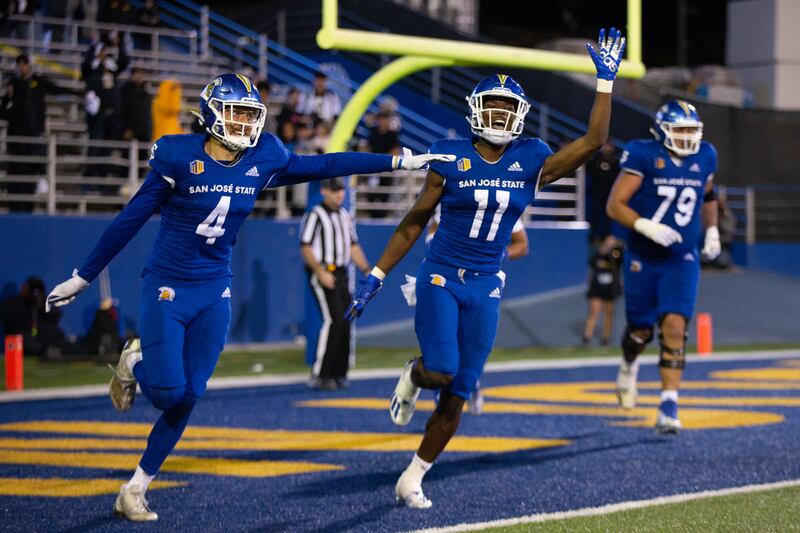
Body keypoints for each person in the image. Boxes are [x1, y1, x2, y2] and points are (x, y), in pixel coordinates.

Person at [44, 73, 454, 522]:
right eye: (234, 112)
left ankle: (135, 488)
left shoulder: (264, 156)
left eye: (248, 114)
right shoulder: (178, 155)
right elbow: (131, 219)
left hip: (214, 289)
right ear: (211, 113)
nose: (243, 123)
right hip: (167, 286)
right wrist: (83, 276)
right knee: (166, 393)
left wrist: (398, 163)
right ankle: (135, 360)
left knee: (189, 396)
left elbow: (327, 164)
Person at [345, 28, 626, 508]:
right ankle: (414, 374)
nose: (498, 116)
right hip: (441, 275)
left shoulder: (532, 158)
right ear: (475, 111)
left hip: (487, 284)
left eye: (506, 109)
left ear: (520, 115)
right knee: (440, 369)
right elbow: (415, 222)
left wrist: (604, 83)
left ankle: (413, 476)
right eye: (491, 107)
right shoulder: (450, 155)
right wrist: (377, 275)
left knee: (459, 391)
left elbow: (595, 140)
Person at [606, 99, 720, 434]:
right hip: (643, 255)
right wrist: (645, 226)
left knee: (674, 325)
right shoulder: (643, 154)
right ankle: (628, 365)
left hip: (681, 257)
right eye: (679, 130)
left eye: (691, 130)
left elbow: (708, 196)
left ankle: (668, 404)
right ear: (662, 130)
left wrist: (712, 229)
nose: (686, 137)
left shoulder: (705, 155)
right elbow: (615, 205)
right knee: (640, 330)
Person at [426, 205, 529, 414]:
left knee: (473, 338)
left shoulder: (504, 202)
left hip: (483, 280)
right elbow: (432, 232)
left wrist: (500, 254)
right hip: (448, 276)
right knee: (444, 334)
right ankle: (442, 388)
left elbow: (522, 244)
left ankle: (470, 379)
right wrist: (442, 247)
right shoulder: (457, 197)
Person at [300, 177, 371, 391]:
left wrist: (367, 269)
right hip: (324, 272)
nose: (340, 194)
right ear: (324, 192)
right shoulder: (315, 214)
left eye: (341, 190)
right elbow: (305, 247)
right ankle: (321, 374)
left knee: (346, 319)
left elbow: (353, 246)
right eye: (335, 190)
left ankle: (339, 373)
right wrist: (320, 271)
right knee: (334, 320)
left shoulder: (344, 215)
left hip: (341, 274)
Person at [1, 54, 81, 211]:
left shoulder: (38, 81)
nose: (22, 67)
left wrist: (80, 93)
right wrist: (8, 98)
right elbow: (4, 112)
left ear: (29, 65)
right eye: (19, 64)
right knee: (15, 177)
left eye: (24, 64)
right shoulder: (13, 84)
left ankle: (28, 210)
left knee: (30, 177)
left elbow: (57, 89)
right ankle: (14, 209)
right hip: (16, 140)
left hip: (34, 139)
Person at [582, 235, 623, 346]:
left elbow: (618, 260)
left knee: (609, 314)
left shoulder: (616, 254)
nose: (609, 246)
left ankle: (606, 339)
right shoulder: (597, 255)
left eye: (612, 244)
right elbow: (592, 262)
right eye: (608, 243)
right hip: (597, 288)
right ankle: (587, 337)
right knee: (593, 313)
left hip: (610, 289)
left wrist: (615, 249)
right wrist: (602, 252)